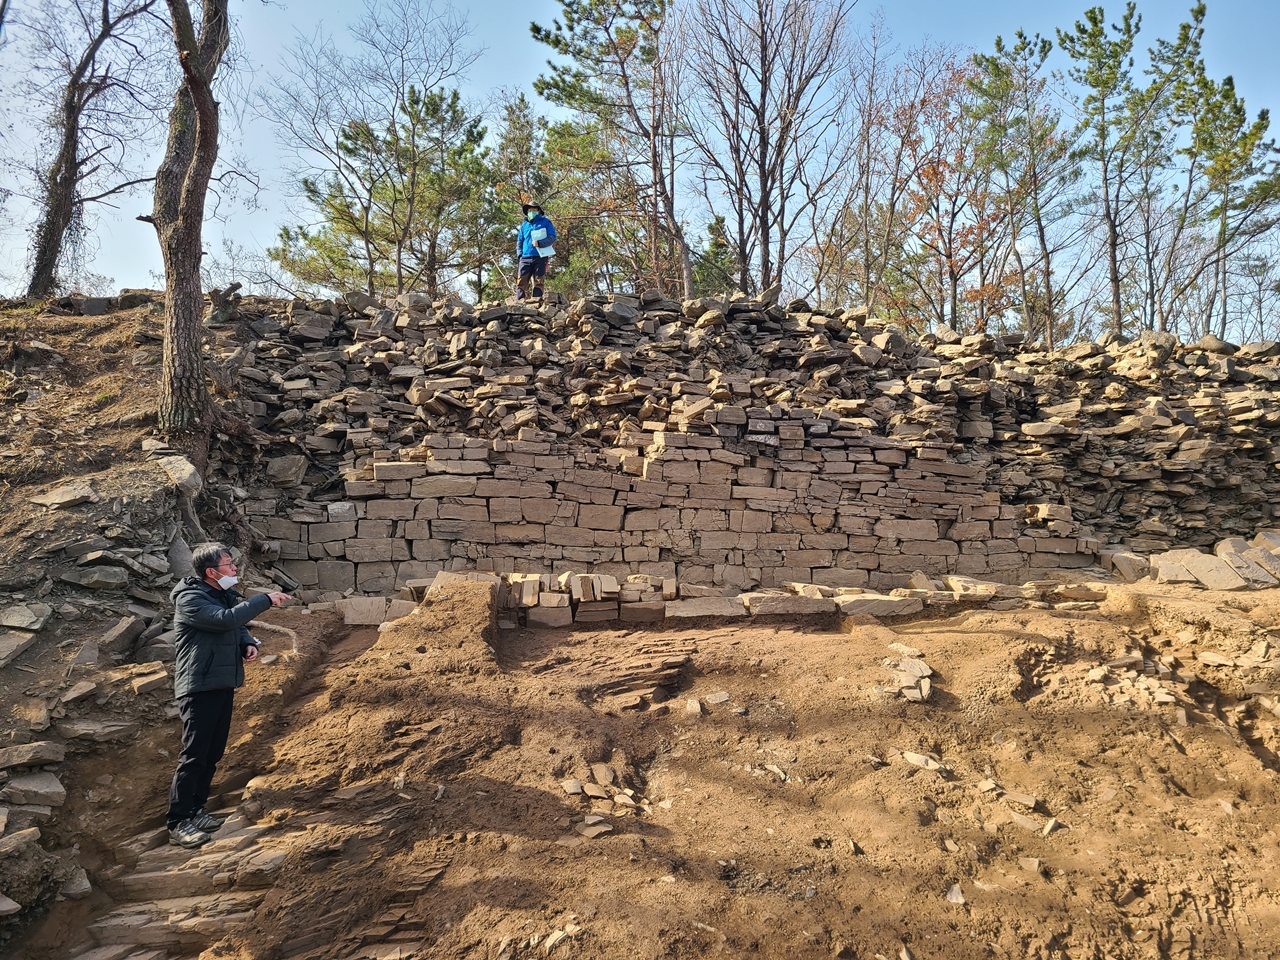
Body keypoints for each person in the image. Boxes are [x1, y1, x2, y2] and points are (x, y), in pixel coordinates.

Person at [166, 543, 291, 849]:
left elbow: (234, 625)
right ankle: (179, 821)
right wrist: (264, 599)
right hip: (198, 685)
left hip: (221, 682)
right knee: (194, 755)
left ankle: (197, 810)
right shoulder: (191, 598)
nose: (234, 569)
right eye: (228, 565)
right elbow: (223, 620)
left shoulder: (219, 594)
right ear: (211, 572)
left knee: (212, 753)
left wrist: (247, 642)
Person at [515, 201, 557, 300]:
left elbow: (552, 237)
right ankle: (519, 304)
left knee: (539, 281)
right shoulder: (524, 226)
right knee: (521, 281)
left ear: (538, 211)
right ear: (527, 211)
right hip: (525, 257)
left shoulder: (546, 222)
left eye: (534, 209)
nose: (532, 211)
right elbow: (519, 241)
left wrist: (540, 243)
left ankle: (536, 303)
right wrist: (520, 255)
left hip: (540, 256)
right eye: (530, 210)